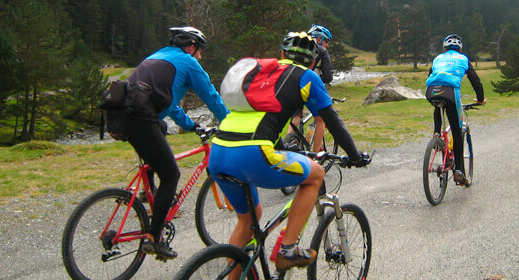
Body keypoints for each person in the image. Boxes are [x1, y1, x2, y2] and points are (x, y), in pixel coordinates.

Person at [208, 31, 368, 271]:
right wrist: (355, 156)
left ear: (281, 54)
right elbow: (333, 122)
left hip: (219, 152)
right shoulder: (308, 77)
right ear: (314, 62)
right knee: (315, 175)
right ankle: (288, 249)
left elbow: (264, 124)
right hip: (253, 154)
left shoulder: (262, 75)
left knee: (248, 221)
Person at [124, 26, 230, 259]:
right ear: (191, 47)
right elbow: (210, 96)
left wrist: (191, 125)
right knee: (171, 174)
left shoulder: (156, 56)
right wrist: (229, 121)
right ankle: (154, 237)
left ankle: (148, 190)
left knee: (160, 129)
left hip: (120, 117)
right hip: (142, 120)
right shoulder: (188, 62)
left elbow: (169, 106)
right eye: (199, 51)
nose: (200, 56)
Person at [425, 34, 485, 186]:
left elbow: (431, 75)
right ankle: (458, 171)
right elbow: (475, 81)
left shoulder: (438, 58)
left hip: (431, 90)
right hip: (451, 91)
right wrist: (480, 99)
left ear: (444, 48)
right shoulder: (463, 59)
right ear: (460, 48)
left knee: (438, 104)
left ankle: (437, 134)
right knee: (457, 132)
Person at [290, 24, 334, 152]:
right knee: (320, 120)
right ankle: (315, 154)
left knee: (297, 116)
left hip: (293, 85)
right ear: (319, 39)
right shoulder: (322, 51)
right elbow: (328, 76)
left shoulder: (298, 49)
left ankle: (289, 142)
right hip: (310, 89)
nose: (327, 44)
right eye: (326, 41)